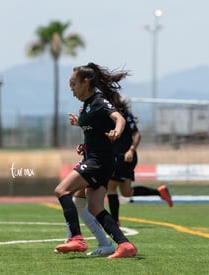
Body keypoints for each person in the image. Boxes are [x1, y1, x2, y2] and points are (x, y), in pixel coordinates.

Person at [54, 62, 137, 258]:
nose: (71, 88)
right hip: (98, 160)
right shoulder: (88, 105)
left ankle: (76, 238)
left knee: (62, 190)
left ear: (86, 81)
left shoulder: (99, 101)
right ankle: (125, 245)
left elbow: (119, 118)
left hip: (98, 162)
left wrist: (117, 129)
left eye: (73, 83)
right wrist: (83, 139)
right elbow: (94, 130)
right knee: (94, 207)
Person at [107, 98, 173, 226]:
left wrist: (131, 150)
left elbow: (137, 135)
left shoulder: (123, 116)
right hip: (119, 157)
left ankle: (115, 221)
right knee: (126, 192)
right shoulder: (110, 116)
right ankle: (160, 192)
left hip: (125, 157)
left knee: (111, 186)